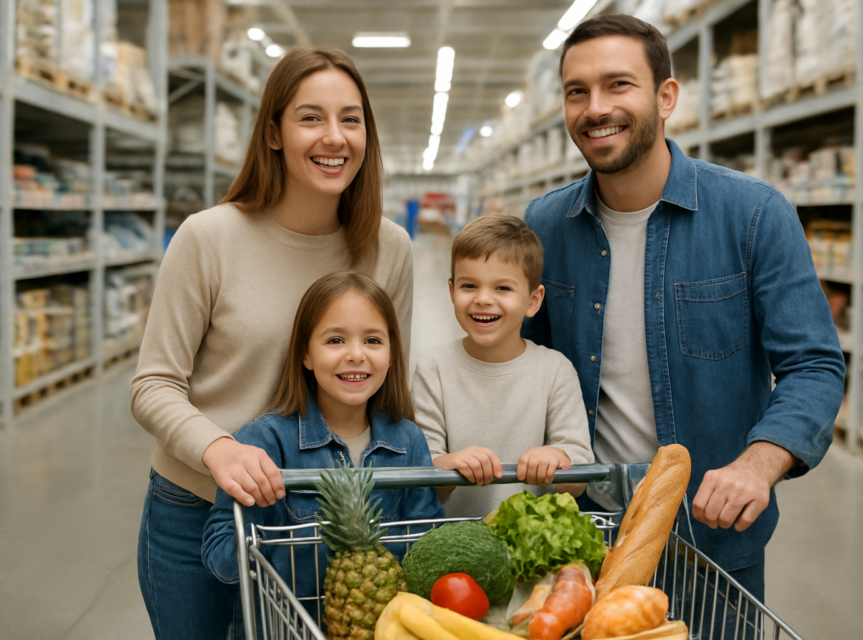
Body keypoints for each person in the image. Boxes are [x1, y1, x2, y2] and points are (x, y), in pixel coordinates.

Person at [521, 15, 846, 602]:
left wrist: (758, 463)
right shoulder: (544, 227)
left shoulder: (752, 215)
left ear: (666, 96)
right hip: (585, 540)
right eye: (577, 91)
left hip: (711, 546)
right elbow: (524, 363)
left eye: (619, 85)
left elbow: (814, 365)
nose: (596, 108)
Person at [130, 47, 414, 638]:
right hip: (195, 509)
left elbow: (388, 393)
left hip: (318, 519)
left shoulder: (389, 249)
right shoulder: (209, 237)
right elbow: (153, 385)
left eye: (351, 119)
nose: (334, 137)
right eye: (310, 117)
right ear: (274, 133)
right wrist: (219, 449)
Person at [202, 273, 443, 624]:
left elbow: (428, 544)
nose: (356, 355)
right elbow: (222, 557)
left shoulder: (409, 441)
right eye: (335, 340)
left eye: (373, 340)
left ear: (391, 354)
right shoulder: (264, 443)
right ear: (306, 355)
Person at [412, 216, 595, 519]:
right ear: (451, 291)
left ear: (533, 301)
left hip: (534, 546)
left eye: (502, 288)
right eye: (469, 285)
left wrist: (557, 458)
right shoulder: (434, 370)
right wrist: (449, 464)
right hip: (457, 548)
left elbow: (578, 481)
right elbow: (423, 473)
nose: (483, 299)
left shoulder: (555, 371)